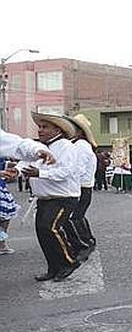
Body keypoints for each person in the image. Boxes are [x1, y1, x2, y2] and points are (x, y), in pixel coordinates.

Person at [19, 113, 82, 281]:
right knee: (43, 233)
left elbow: (66, 172)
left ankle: (69, 262)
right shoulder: (40, 147)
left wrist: (40, 173)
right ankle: (54, 268)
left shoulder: (66, 146)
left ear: (57, 130)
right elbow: (25, 164)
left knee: (50, 228)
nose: (40, 130)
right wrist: (15, 171)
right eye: (39, 127)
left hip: (62, 197)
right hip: (45, 199)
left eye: (45, 127)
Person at [65, 114, 98, 261]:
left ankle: (84, 244)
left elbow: (78, 170)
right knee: (77, 216)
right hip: (84, 186)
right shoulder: (82, 145)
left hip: (80, 187)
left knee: (74, 218)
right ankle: (88, 241)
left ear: (78, 131)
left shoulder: (80, 146)